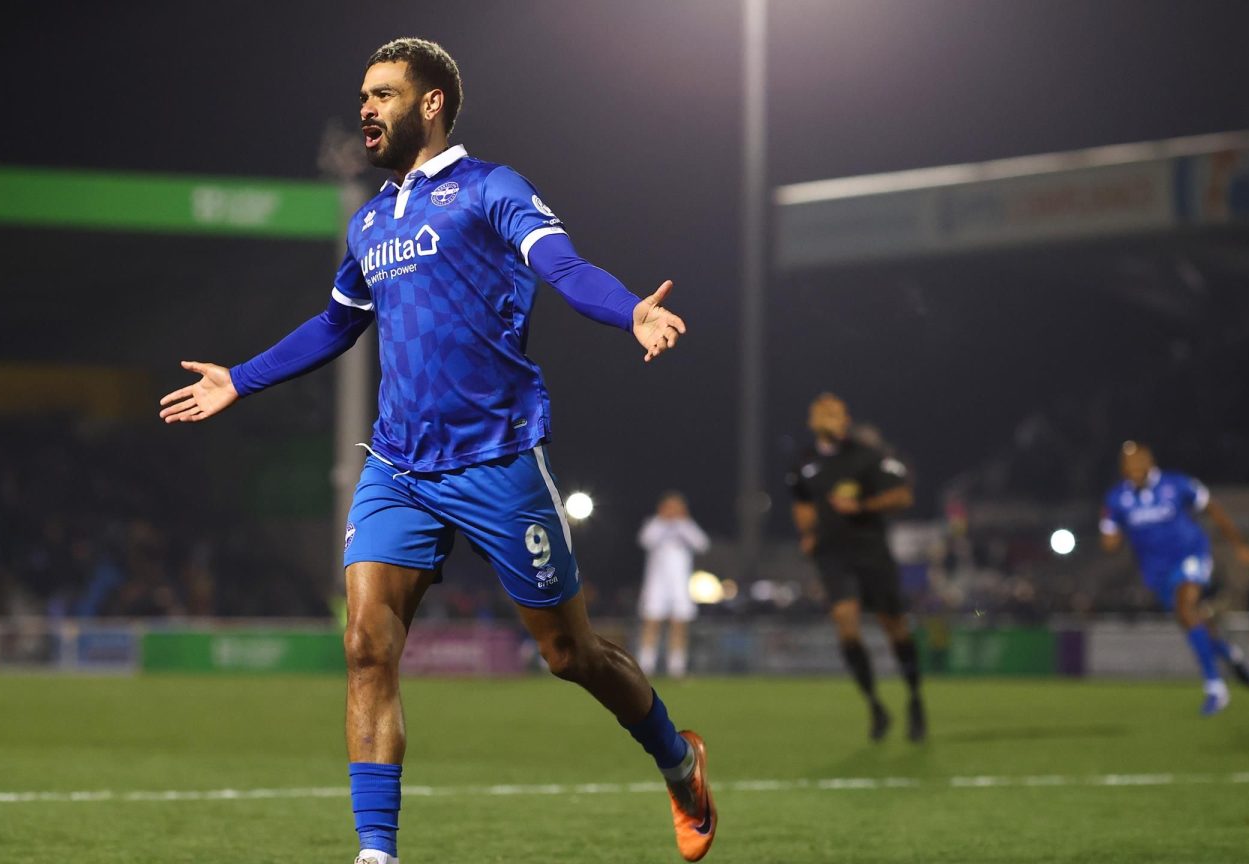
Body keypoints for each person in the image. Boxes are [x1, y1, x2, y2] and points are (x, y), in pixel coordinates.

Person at [158, 37, 715, 864]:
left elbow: (561, 265)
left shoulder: (491, 189)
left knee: (570, 654)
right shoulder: (370, 222)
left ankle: (678, 761)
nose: (366, 108)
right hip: (399, 465)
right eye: (362, 95)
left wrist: (630, 308)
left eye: (383, 94)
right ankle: (376, 853)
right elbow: (337, 324)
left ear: (431, 104)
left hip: (496, 457)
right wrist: (241, 378)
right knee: (364, 645)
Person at [785, 393, 925, 742]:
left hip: (871, 552)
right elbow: (802, 502)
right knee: (846, 626)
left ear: (846, 419)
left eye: (837, 413)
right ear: (813, 420)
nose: (831, 418)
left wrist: (862, 505)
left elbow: (903, 495)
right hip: (833, 556)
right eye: (824, 413)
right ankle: (875, 705)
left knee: (895, 627)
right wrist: (807, 533)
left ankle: (914, 697)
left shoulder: (868, 455)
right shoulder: (804, 462)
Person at [1100, 441, 1249, 715]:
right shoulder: (1116, 498)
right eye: (1128, 464)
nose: (1133, 468)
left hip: (1191, 556)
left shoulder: (1177, 484)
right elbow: (1109, 540)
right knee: (1192, 619)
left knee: (1186, 608)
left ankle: (1215, 688)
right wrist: (1110, 538)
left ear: (1149, 462)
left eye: (1137, 462)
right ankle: (1229, 654)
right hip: (1156, 571)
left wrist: (1239, 544)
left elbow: (1212, 508)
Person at [637, 492, 710, 678]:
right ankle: (645, 666)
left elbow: (702, 544)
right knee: (652, 623)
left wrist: (684, 523)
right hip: (656, 585)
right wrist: (663, 521)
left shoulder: (686, 526)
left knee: (679, 624)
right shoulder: (655, 524)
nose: (673, 511)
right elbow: (645, 539)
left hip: (680, 585)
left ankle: (676, 668)